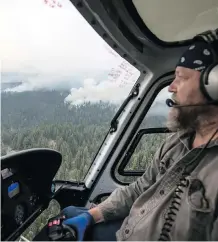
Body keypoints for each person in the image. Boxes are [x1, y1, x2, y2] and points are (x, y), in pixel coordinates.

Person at [47, 40, 218, 241]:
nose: (171, 87)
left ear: (214, 85)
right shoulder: (176, 142)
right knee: (68, 215)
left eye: (181, 77)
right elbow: (140, 188)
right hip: (127, 231)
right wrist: (90, 216)